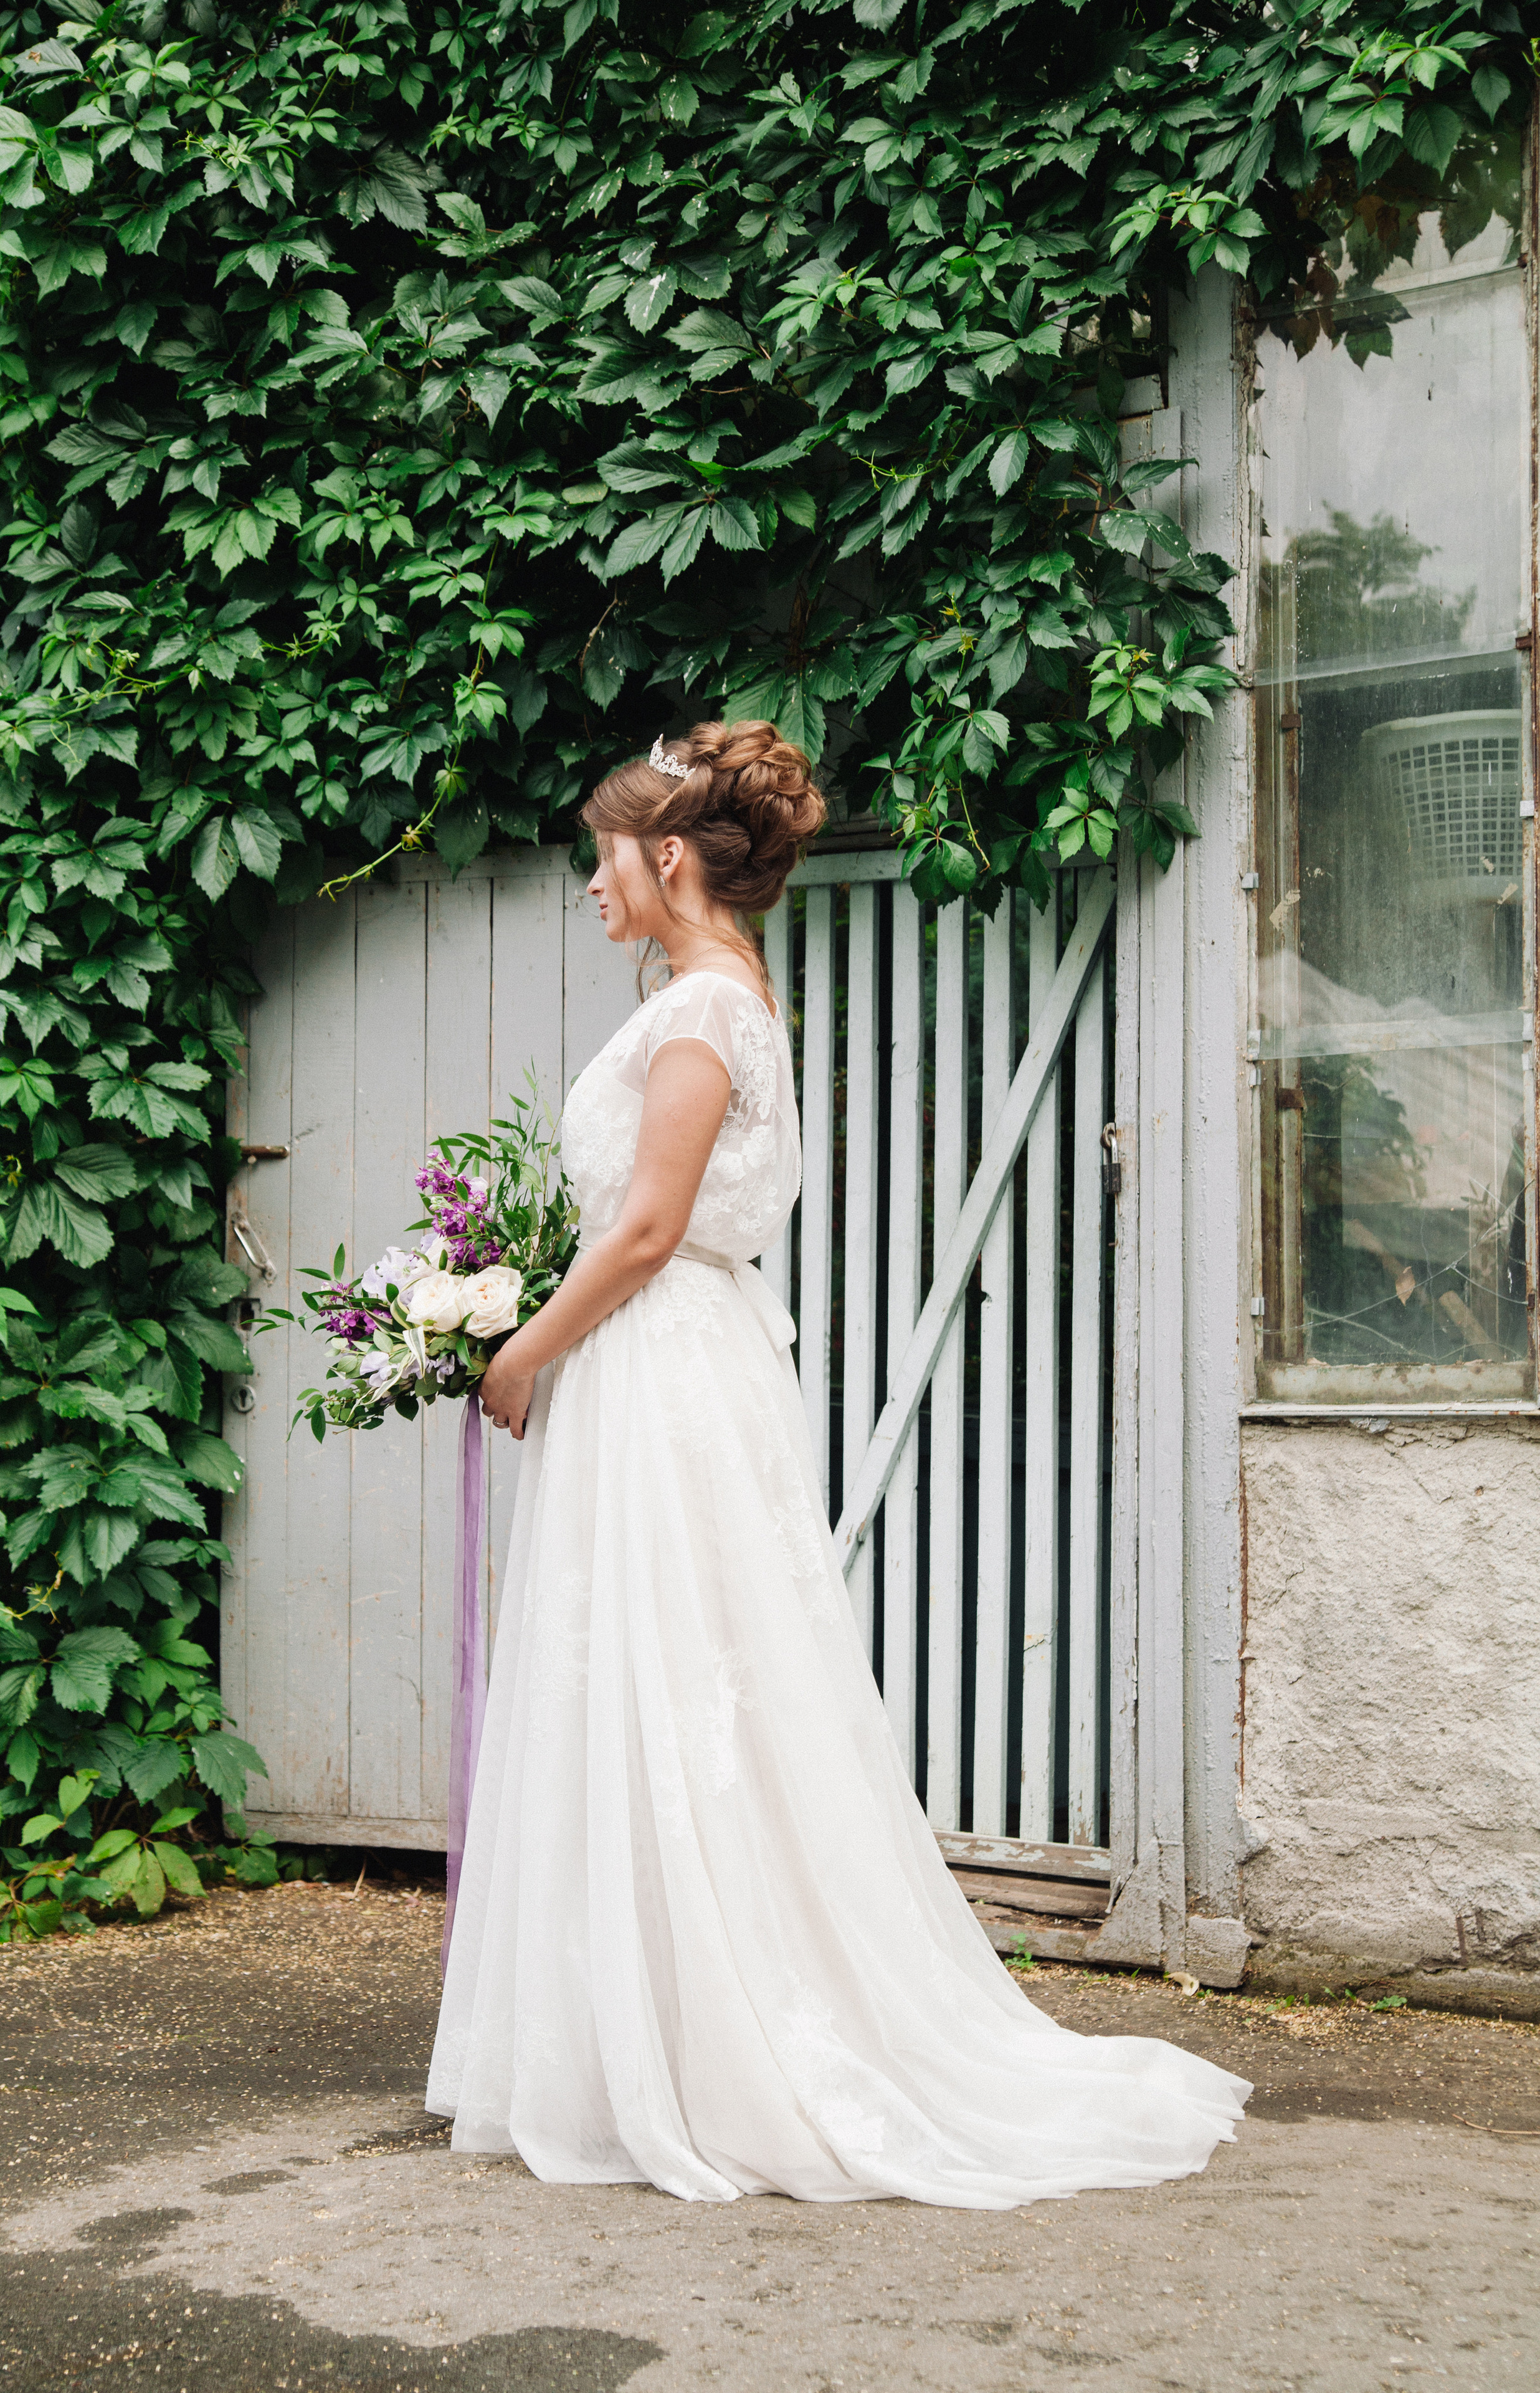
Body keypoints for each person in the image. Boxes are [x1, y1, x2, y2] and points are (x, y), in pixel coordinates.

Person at [427, 718, 1250, 2205]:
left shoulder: (700, 1016)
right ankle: (650, 2023)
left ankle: (714, 2046)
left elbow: (646, 1228)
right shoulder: (719, 997)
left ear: (665, 854)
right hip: (670, 1362)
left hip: (660, 1362)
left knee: (679, 1677)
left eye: (602, 860)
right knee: (657, 1677)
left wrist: (519, 1345)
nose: (592, 886)